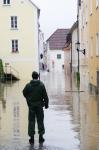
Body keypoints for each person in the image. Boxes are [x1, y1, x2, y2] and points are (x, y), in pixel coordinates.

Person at [23, 71, 49, 144]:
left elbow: (24, 93)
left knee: (31, 121)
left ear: (32, 76)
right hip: (39, 106)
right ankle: (41, 136)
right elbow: (45, 96)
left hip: (31, 106)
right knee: (40, 120)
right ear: (37, 77)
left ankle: (32, 138)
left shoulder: (28, 85)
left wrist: (28, 99)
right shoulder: (41, 85)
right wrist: (46, 105)